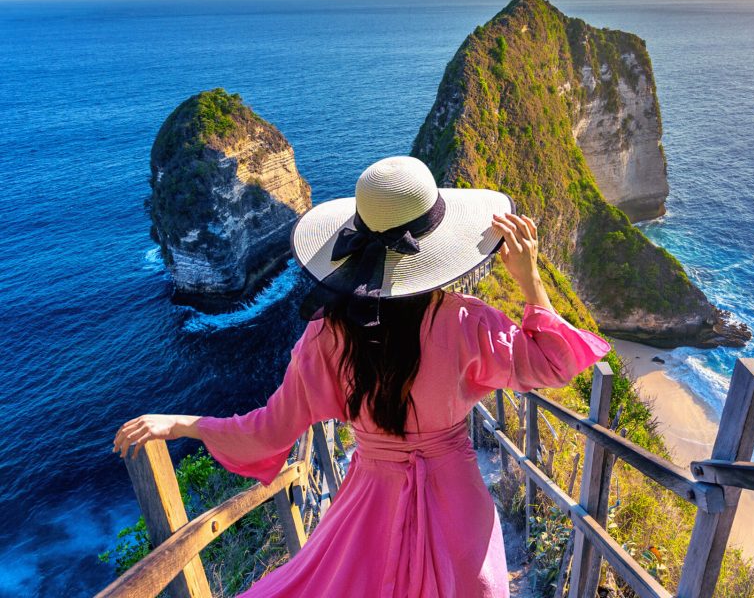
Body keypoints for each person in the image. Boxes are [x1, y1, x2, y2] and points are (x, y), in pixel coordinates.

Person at [112, 155, 611, 597]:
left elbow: (267, 430)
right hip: (458, 510)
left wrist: (183, 424)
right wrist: (532, 280)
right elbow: (553, 361)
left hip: (370, 512)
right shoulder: (467, 322)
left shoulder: (326, 337)